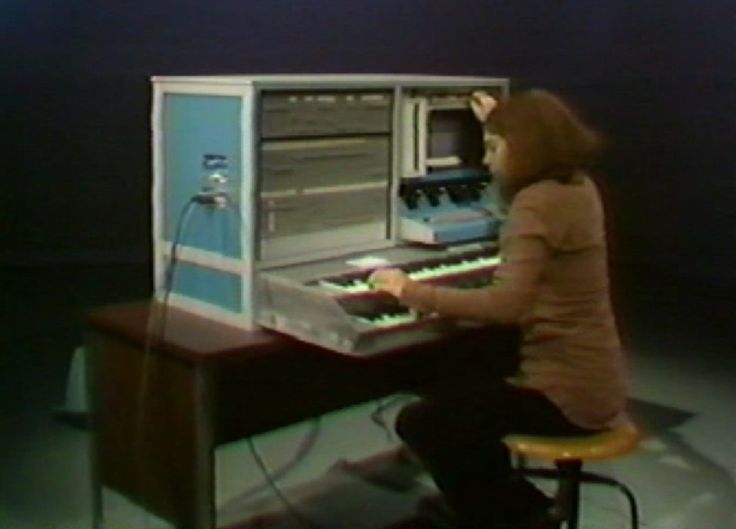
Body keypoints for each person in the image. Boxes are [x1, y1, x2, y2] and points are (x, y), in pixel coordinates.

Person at [369, 89, 629, 529]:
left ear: (525, 147)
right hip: (598, 384)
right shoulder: (579, 187)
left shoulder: (536, 204)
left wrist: (410, 289)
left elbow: (505, 305)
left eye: (492, 148)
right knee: (458, 386)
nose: (487, 162)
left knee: (424, 421)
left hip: (562, 398)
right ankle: (506, 505)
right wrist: (501, 121)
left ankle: (518, 516)